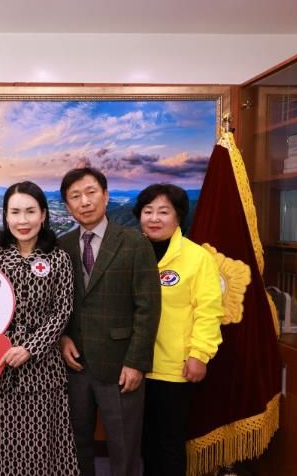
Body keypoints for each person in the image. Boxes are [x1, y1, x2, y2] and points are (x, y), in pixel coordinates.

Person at [57, 167, 161, 476]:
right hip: (75, 366)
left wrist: (136, 363)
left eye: (91, 192)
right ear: (67, 206)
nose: (84, 201)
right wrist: (62, 337)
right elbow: (58, 303)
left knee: (124, 447)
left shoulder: (134, 242)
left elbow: (148, 308)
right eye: (75, 196)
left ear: (105, 195)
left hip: (120, 365)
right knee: (76, 445)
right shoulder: (62, 246)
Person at [0, 181, 79, 475]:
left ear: (43, 215)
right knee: (1, 445)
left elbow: (62, 311)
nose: (23, 220)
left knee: (40, 445)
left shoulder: (58, 258)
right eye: (15, 212)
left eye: (30, 211)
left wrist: (30, 348)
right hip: (1, 365)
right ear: (5, 216)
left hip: (43, 368)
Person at [132, 183, 223, 476]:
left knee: (168, 442)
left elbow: (209, 312)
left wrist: (199, 355)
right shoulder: (132, 252)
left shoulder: (197, 258)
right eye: (148, 211)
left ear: (178, 217)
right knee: (144, 443)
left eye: (163, 212)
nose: (154, 218)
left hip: (175, 368)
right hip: (135, 366)